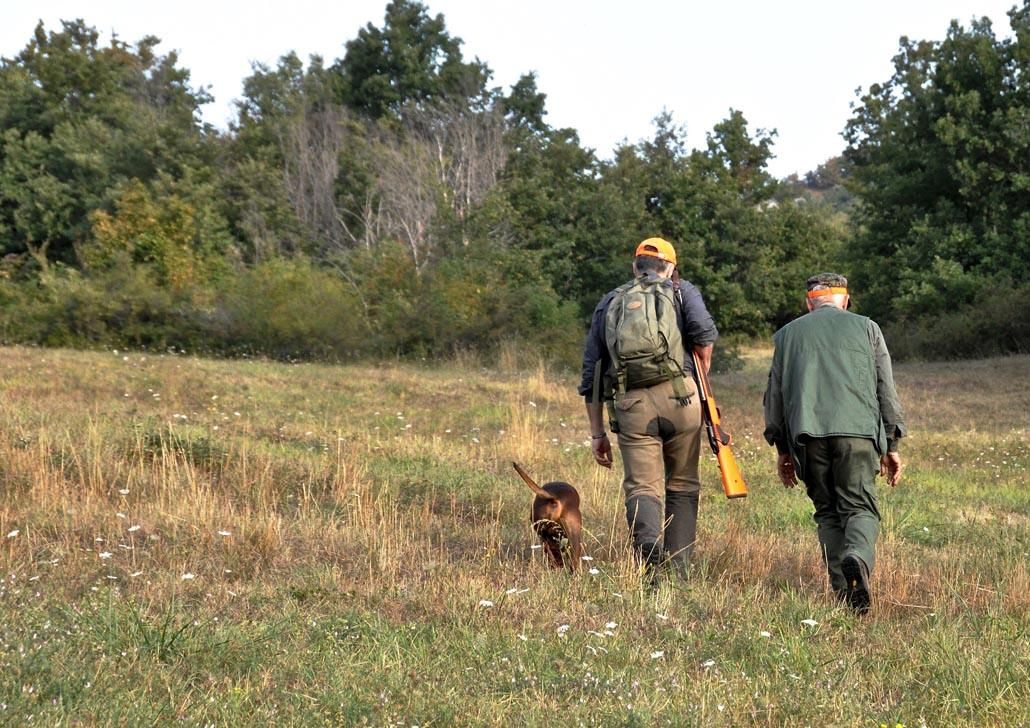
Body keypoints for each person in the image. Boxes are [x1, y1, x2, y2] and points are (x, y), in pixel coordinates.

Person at [763, 272, 906, 614]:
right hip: (857, 434)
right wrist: (892, 443)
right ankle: (857, 556)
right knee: (859, 508)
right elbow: (885, 388)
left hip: (807, 437)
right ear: (845, 299)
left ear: (809, 301)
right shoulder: (868, 328)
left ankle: (845, 595)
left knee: (828, 513)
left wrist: (782, 449)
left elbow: (775, 398)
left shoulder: (787, 335)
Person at [579, 237, 719, 580]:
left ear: (634, 267)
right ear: (670, 268)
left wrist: (597, 432)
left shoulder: (612, 300)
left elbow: (592, 372)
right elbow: (703, 342)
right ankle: (680, 570)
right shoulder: (683, 291)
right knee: (683, 483)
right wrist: (699, 389)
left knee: (642, 487)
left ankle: (648, 551)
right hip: (682, 398)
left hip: (632, 403)